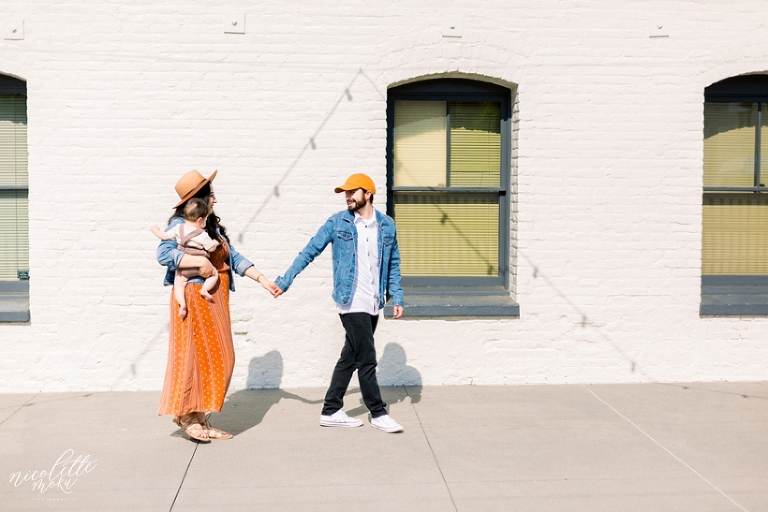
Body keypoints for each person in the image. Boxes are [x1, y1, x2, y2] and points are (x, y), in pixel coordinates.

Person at [274, 173, 406, 433]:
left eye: (352, 192)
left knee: (350, 357)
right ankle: (377, 413)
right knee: (367, 358)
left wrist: (397, 295)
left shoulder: (386, 225)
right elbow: (309, 250)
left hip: (373, 300)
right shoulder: (338, 223)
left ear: (368, 193)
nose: (347, 197)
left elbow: (393, 263)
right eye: (345, 193)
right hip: (350, 300)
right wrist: (285, 280)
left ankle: (331, 409)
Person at [156, 169, 279, 442]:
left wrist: (262, 278)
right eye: (211, 194)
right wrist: (198, 264)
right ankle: (189, 417)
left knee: (219, 357)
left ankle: (198, 417)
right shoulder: (180, 224)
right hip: (194, 296)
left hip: (216, 300)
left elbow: (232, 256)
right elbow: (163, 253)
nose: (216, 199)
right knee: (193, 357)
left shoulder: (209, 227)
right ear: (199, 198)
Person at [151, 198, 220, 319]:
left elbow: (164, 236)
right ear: (200, 220)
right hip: (199, 267)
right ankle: (204, 290)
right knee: (214, 274)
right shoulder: (202, 234)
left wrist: (155, 230)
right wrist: (215, 243)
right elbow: (211, 249)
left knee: (179, 284)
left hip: (184, 266)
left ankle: (182, 304)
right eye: (205, 219)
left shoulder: (178, 228)